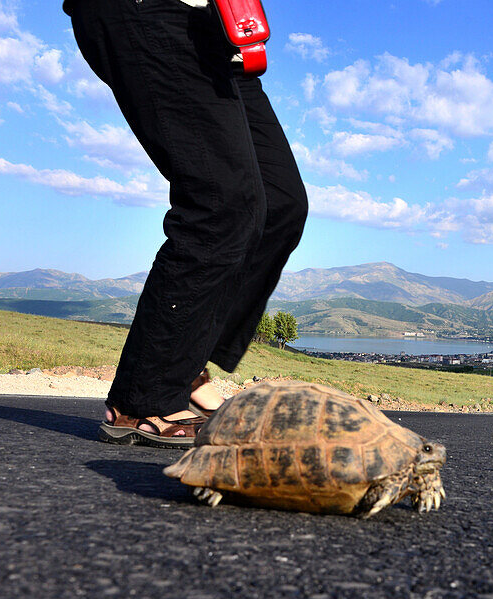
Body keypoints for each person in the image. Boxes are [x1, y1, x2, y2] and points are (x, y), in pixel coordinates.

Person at [63, 0, 309, 447]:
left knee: (280, 204)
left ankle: (182, 363)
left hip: (221, 30)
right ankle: (145, 397)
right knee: (222, 202)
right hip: (151, 12)